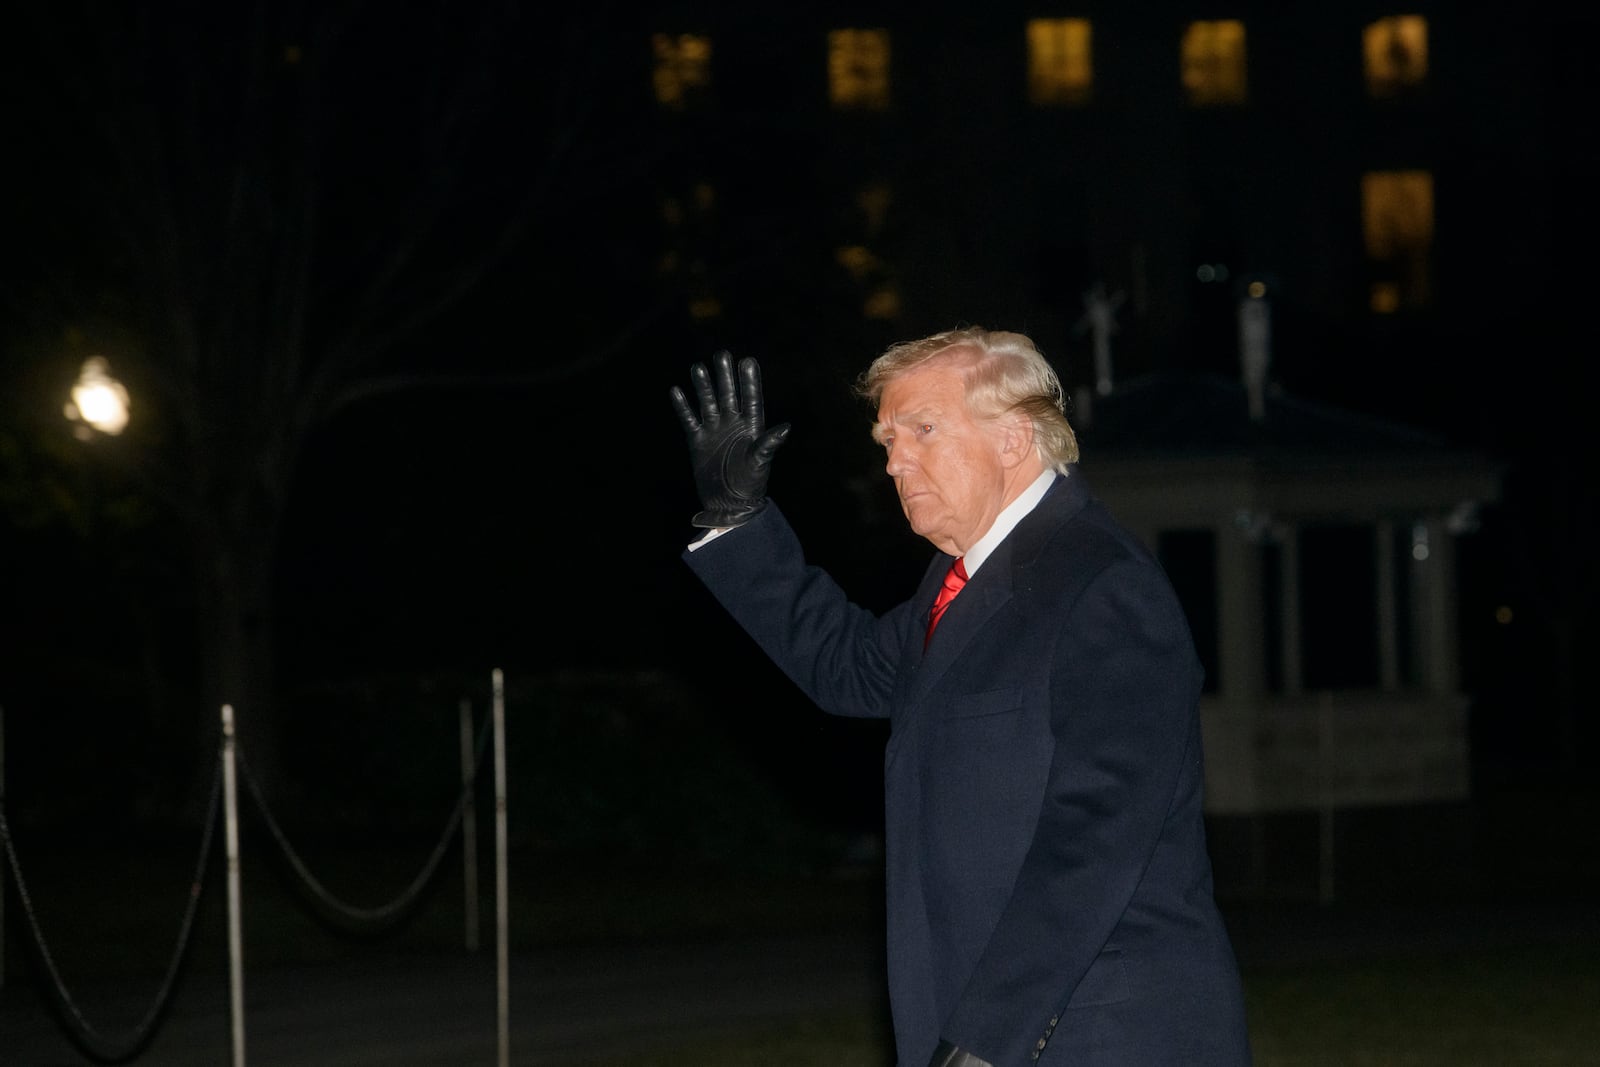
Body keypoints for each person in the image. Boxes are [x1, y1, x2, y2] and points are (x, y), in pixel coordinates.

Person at [668, 329, 1252, 1066]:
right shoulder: (959, 587)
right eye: (886, 439)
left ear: (1013, 438)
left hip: (1093, 1033)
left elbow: (1094, 838)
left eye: (923, 429)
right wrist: (740, 520)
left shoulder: (1101, 585)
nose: (894, 460)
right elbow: (845, 666)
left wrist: (988, 1035)